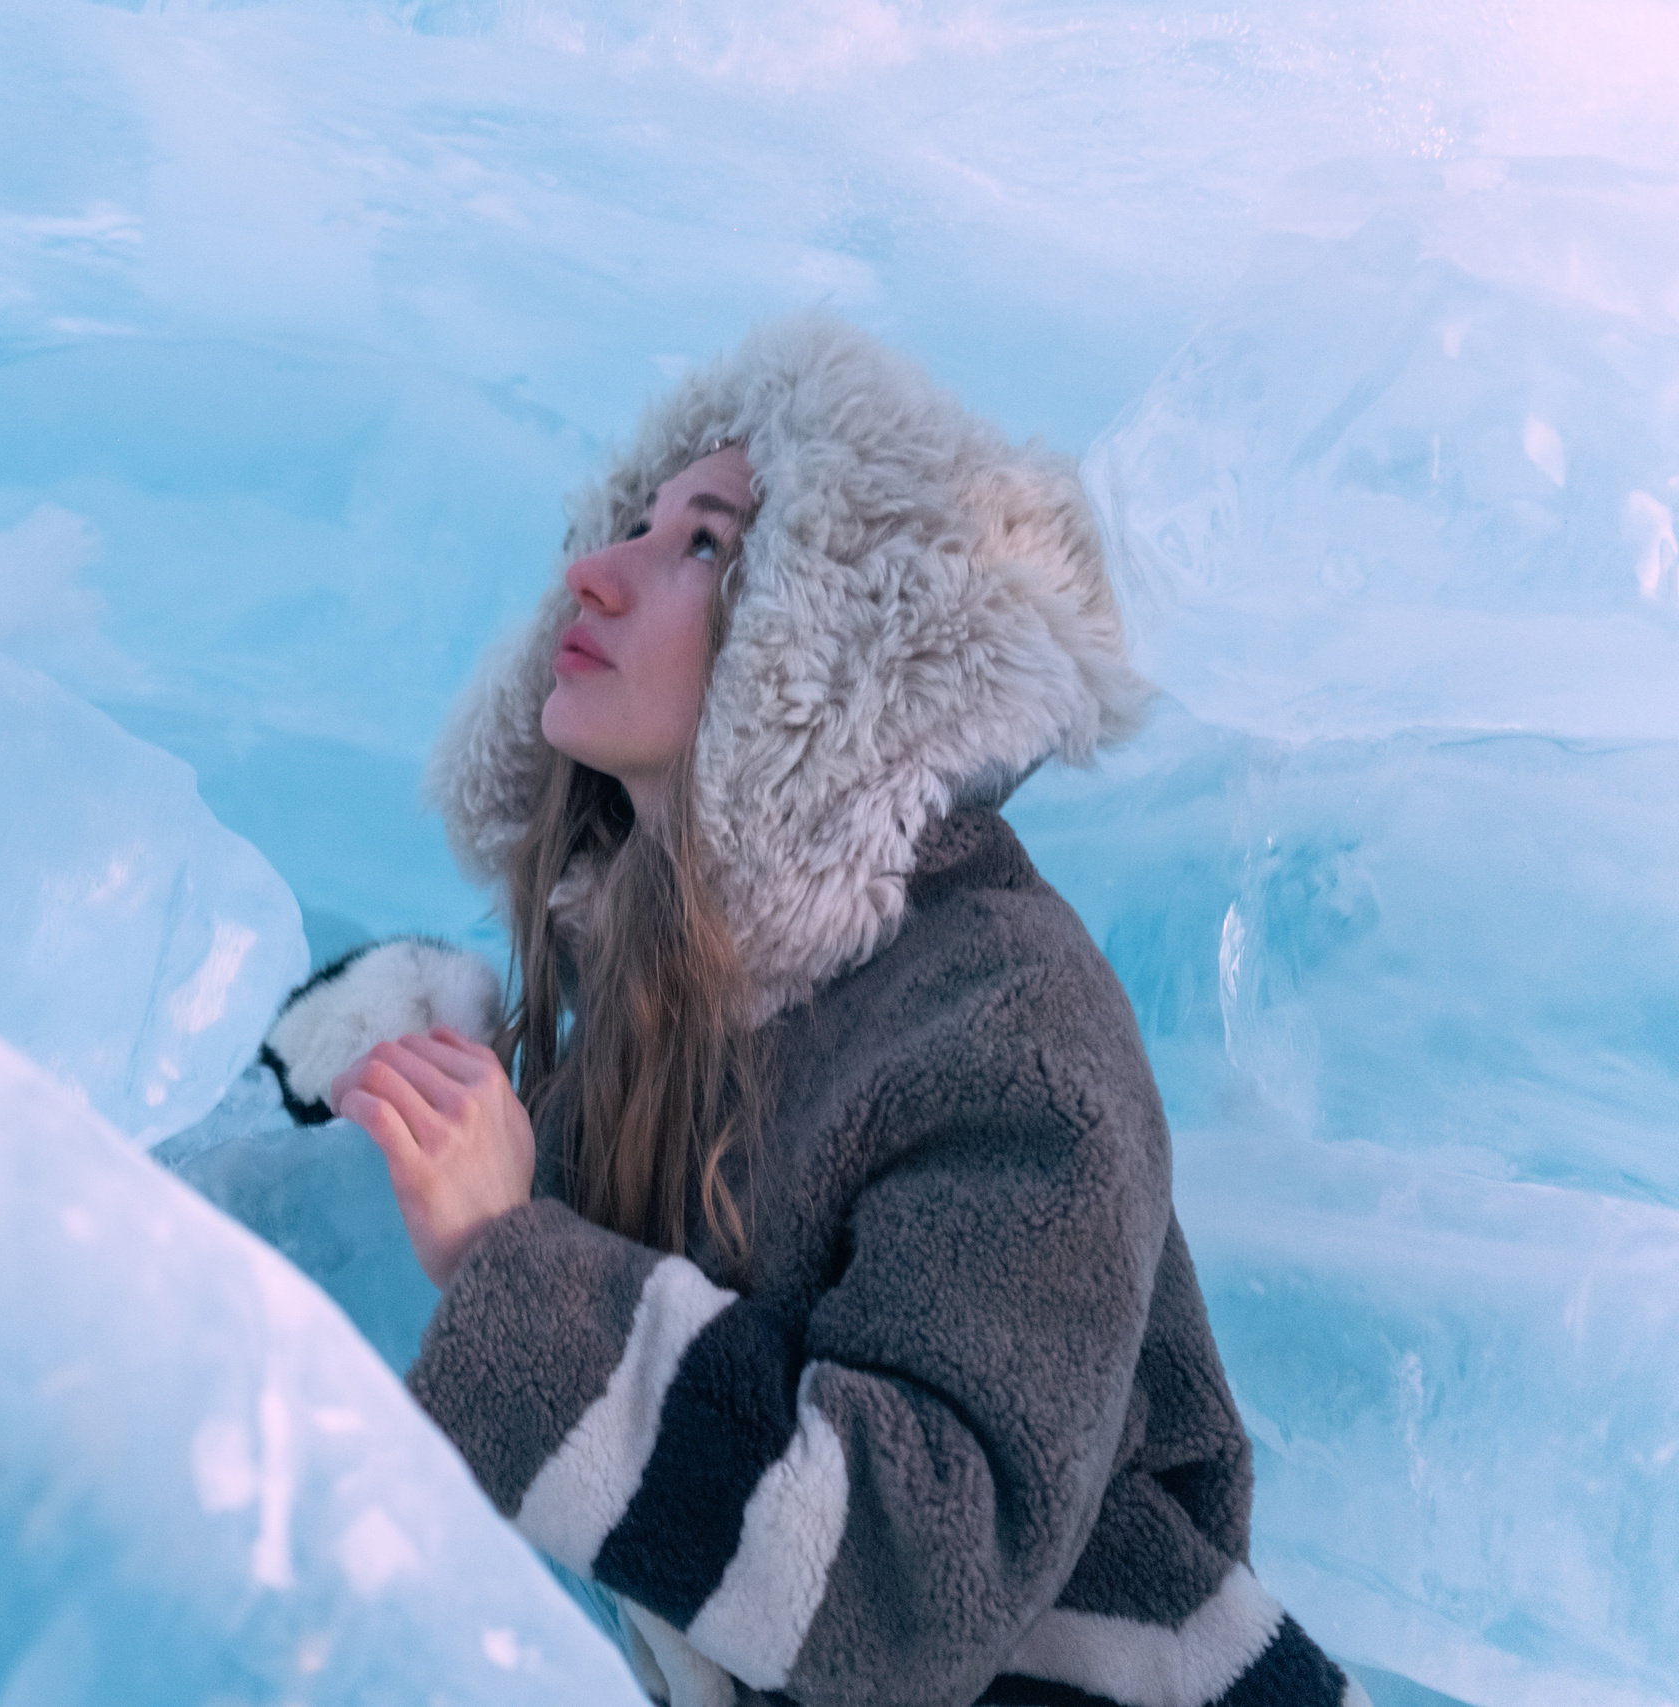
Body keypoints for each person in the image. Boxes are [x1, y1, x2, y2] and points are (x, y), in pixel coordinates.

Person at [257, 312, 1363, 1707]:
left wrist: (507, 1253)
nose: (593, 574)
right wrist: (412, 1047)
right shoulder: (693, 1005)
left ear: (835, 639)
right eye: (635, 527)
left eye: (702, 546)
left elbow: (919, 1581)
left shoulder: (1009, 1029)